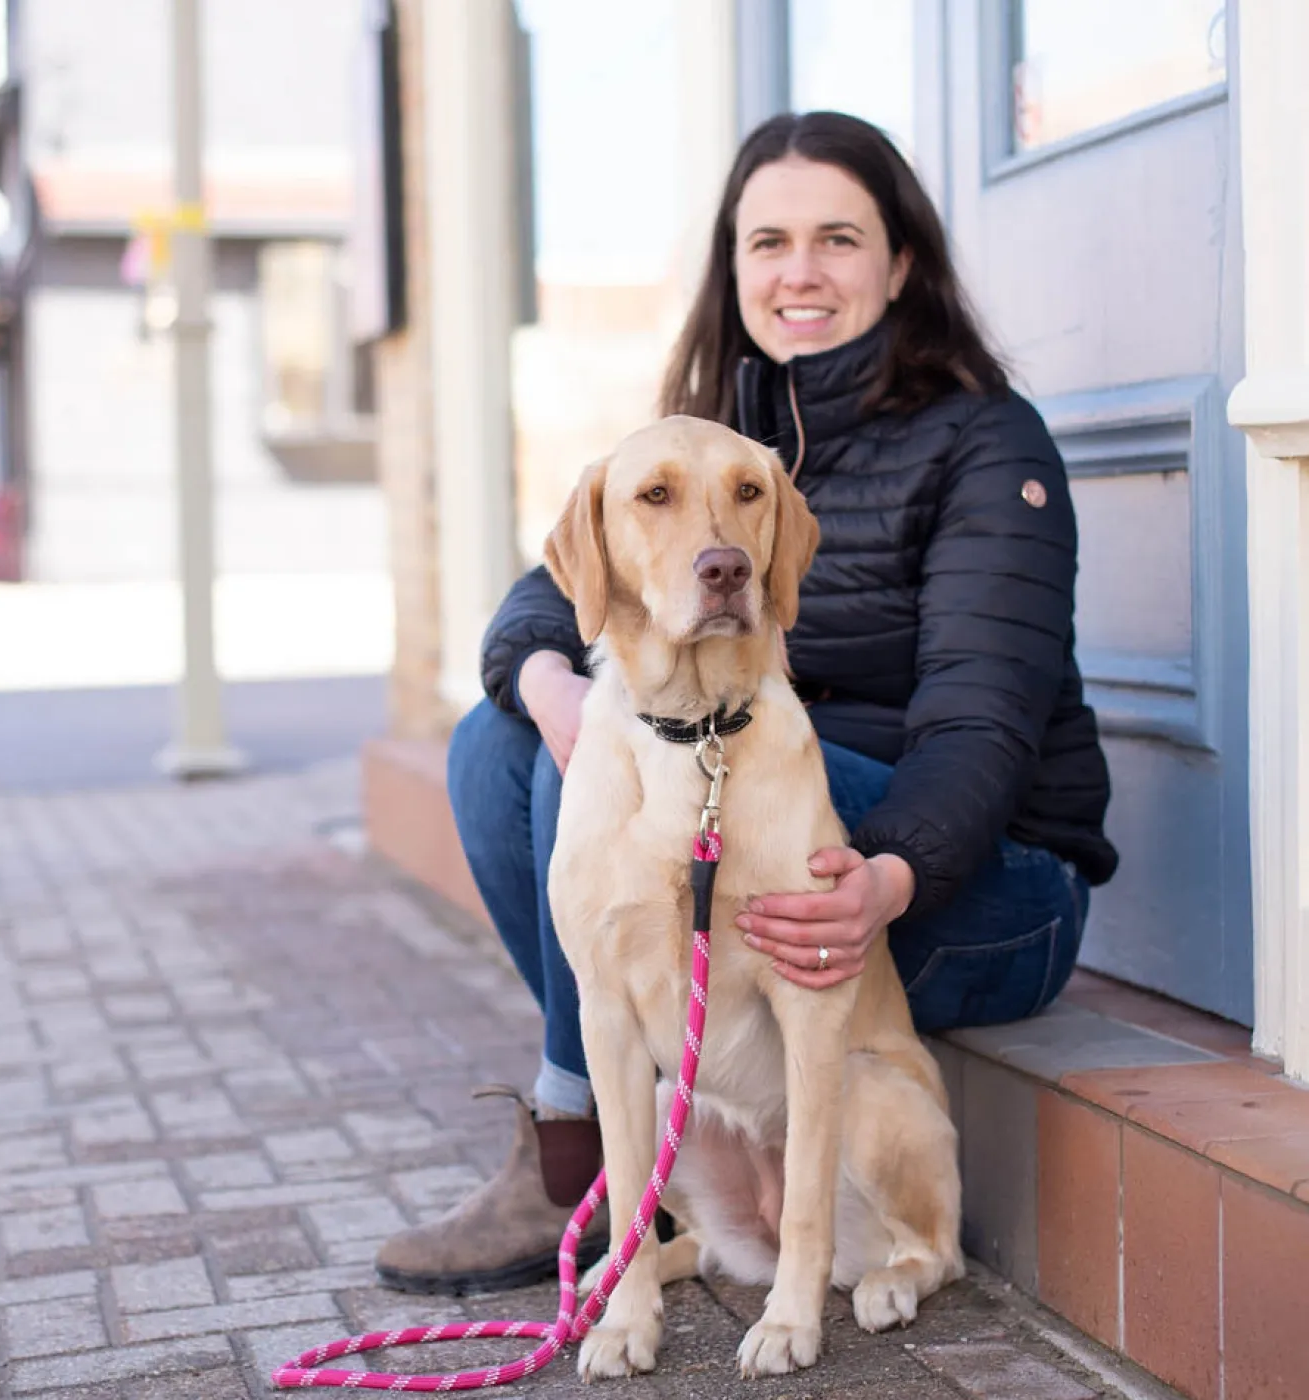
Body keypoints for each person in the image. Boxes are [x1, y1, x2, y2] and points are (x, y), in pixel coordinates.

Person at [375, 111, 1117, 1297]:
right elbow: (547, 595)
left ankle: (603, 1166)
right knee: (499, 747)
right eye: (768, 242)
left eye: (837, 239)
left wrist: (888, 876)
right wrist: (550, 682)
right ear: (733, 266)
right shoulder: (711, 425)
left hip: (968, 880)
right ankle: (588, 1129)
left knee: (620, 772)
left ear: (900, 263)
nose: (798, 271)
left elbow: (981, 726)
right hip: (750, 811)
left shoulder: (984, 445)